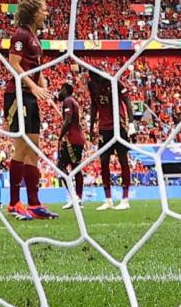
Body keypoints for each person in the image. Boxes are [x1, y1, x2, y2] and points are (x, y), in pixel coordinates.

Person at [3, 0, 57, 220]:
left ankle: (34, 204)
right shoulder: (21, 35)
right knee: (22, 146)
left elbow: (37, 68)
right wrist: (32, 87)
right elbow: (13, 64)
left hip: (31, 95)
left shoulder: (35, 38)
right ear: (34, 12)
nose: (47, 12)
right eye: (44, 9)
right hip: (18, 94)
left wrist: (43, 86)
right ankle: (14, 202)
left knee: (34, 147)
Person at [87, 70, 133, 210]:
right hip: (103, 128)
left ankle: (125, 199)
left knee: (123, 160)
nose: (94, 81)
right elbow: (94, 105)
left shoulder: (115, 82)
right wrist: (91, 127)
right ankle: (108, 199)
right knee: (104, 161)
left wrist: (131, 123)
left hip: (119, 126)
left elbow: (127, 100)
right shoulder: (91, 85)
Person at [55, 82, 86, 210]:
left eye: (60, 89)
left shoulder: (68, 101)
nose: (59, 92)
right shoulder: (73, 101)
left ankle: (74, 197)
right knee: (75, 167)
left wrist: (60, 136)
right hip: (78, 138)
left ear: (65, 90)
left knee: (60, 166)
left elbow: (67, 121)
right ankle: (78, 198)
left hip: (71, 139)